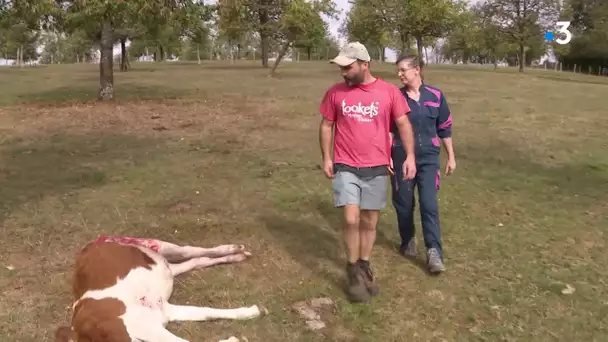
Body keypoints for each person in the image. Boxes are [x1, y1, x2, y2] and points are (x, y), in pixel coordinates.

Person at [318, 42, 417, 303]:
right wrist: (327, 157)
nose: (343, 72)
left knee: (369, 222)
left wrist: (409, 156)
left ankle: (363, 264)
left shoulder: (388, 93)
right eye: (341, 68)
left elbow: (403, 123)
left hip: (376, 167)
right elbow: (327, 125)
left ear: (365, 65)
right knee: (351, 219)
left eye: (348, 67)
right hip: (346, 165)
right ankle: (351, 269)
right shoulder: (335, 93)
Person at [390, 55, 456, 274]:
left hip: (429, 158)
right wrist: (387, 156)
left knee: (429, 204)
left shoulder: (436, 96)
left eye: (402, 70)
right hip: (401, 157)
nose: (399, 74)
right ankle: (408, 239)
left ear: (416, 70)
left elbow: (444, 128)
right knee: (404, 202)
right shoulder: (396, 97)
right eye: (398, 70)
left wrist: (451, 156)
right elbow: (389, 130)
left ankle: (434, 252)